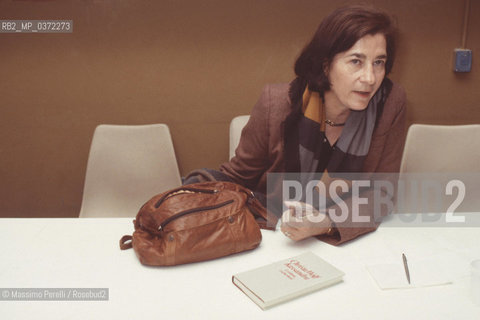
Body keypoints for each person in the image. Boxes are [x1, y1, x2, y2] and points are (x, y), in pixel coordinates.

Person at [186, 5, 406, 245]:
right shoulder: (276, 103)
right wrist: (188, 197)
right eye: (356, 61)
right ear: (325, 64)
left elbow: (382, 193)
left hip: (345, 240)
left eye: (379, 62)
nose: (370, 78)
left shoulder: (389, 103)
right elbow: (238, 176)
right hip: (275, 234)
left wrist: (326, 221)